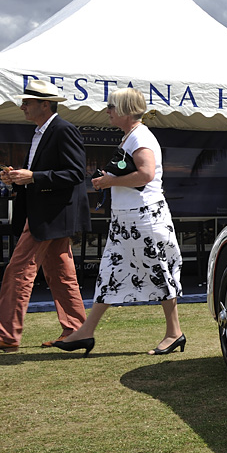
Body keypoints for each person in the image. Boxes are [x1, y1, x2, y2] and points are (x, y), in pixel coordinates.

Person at [54, 88, 185, 356]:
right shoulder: (131, 137)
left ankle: (174, 333)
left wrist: (111, 181)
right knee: (110, 274)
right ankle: (86, 331)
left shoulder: (140, 137)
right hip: (128, 219)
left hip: (144, 217)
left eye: (112, 107)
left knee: (158, 271)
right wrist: (109, 180)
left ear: (125, 109)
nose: (108, 111)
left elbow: (146, 174)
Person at [0, 80, 91, 353]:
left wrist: (33, 176)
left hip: (51, 215)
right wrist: (20, 178)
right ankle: (77, 331)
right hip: (47, 214)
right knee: (60, 273)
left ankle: (6, 334)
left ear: (45, 104)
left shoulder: (63, 130)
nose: (22, 106)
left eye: (27, 102)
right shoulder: (42, 132)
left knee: (18, 270)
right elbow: (52, 175)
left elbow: (76, 174)